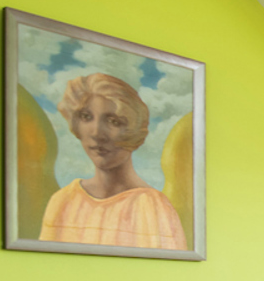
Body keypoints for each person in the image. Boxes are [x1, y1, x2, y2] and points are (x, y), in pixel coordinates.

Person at [39, 73, 187, 251]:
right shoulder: (63, 201)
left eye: (113, 121)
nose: (96, 133)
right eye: (86, 117)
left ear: (133, 129)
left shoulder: (151, 206)